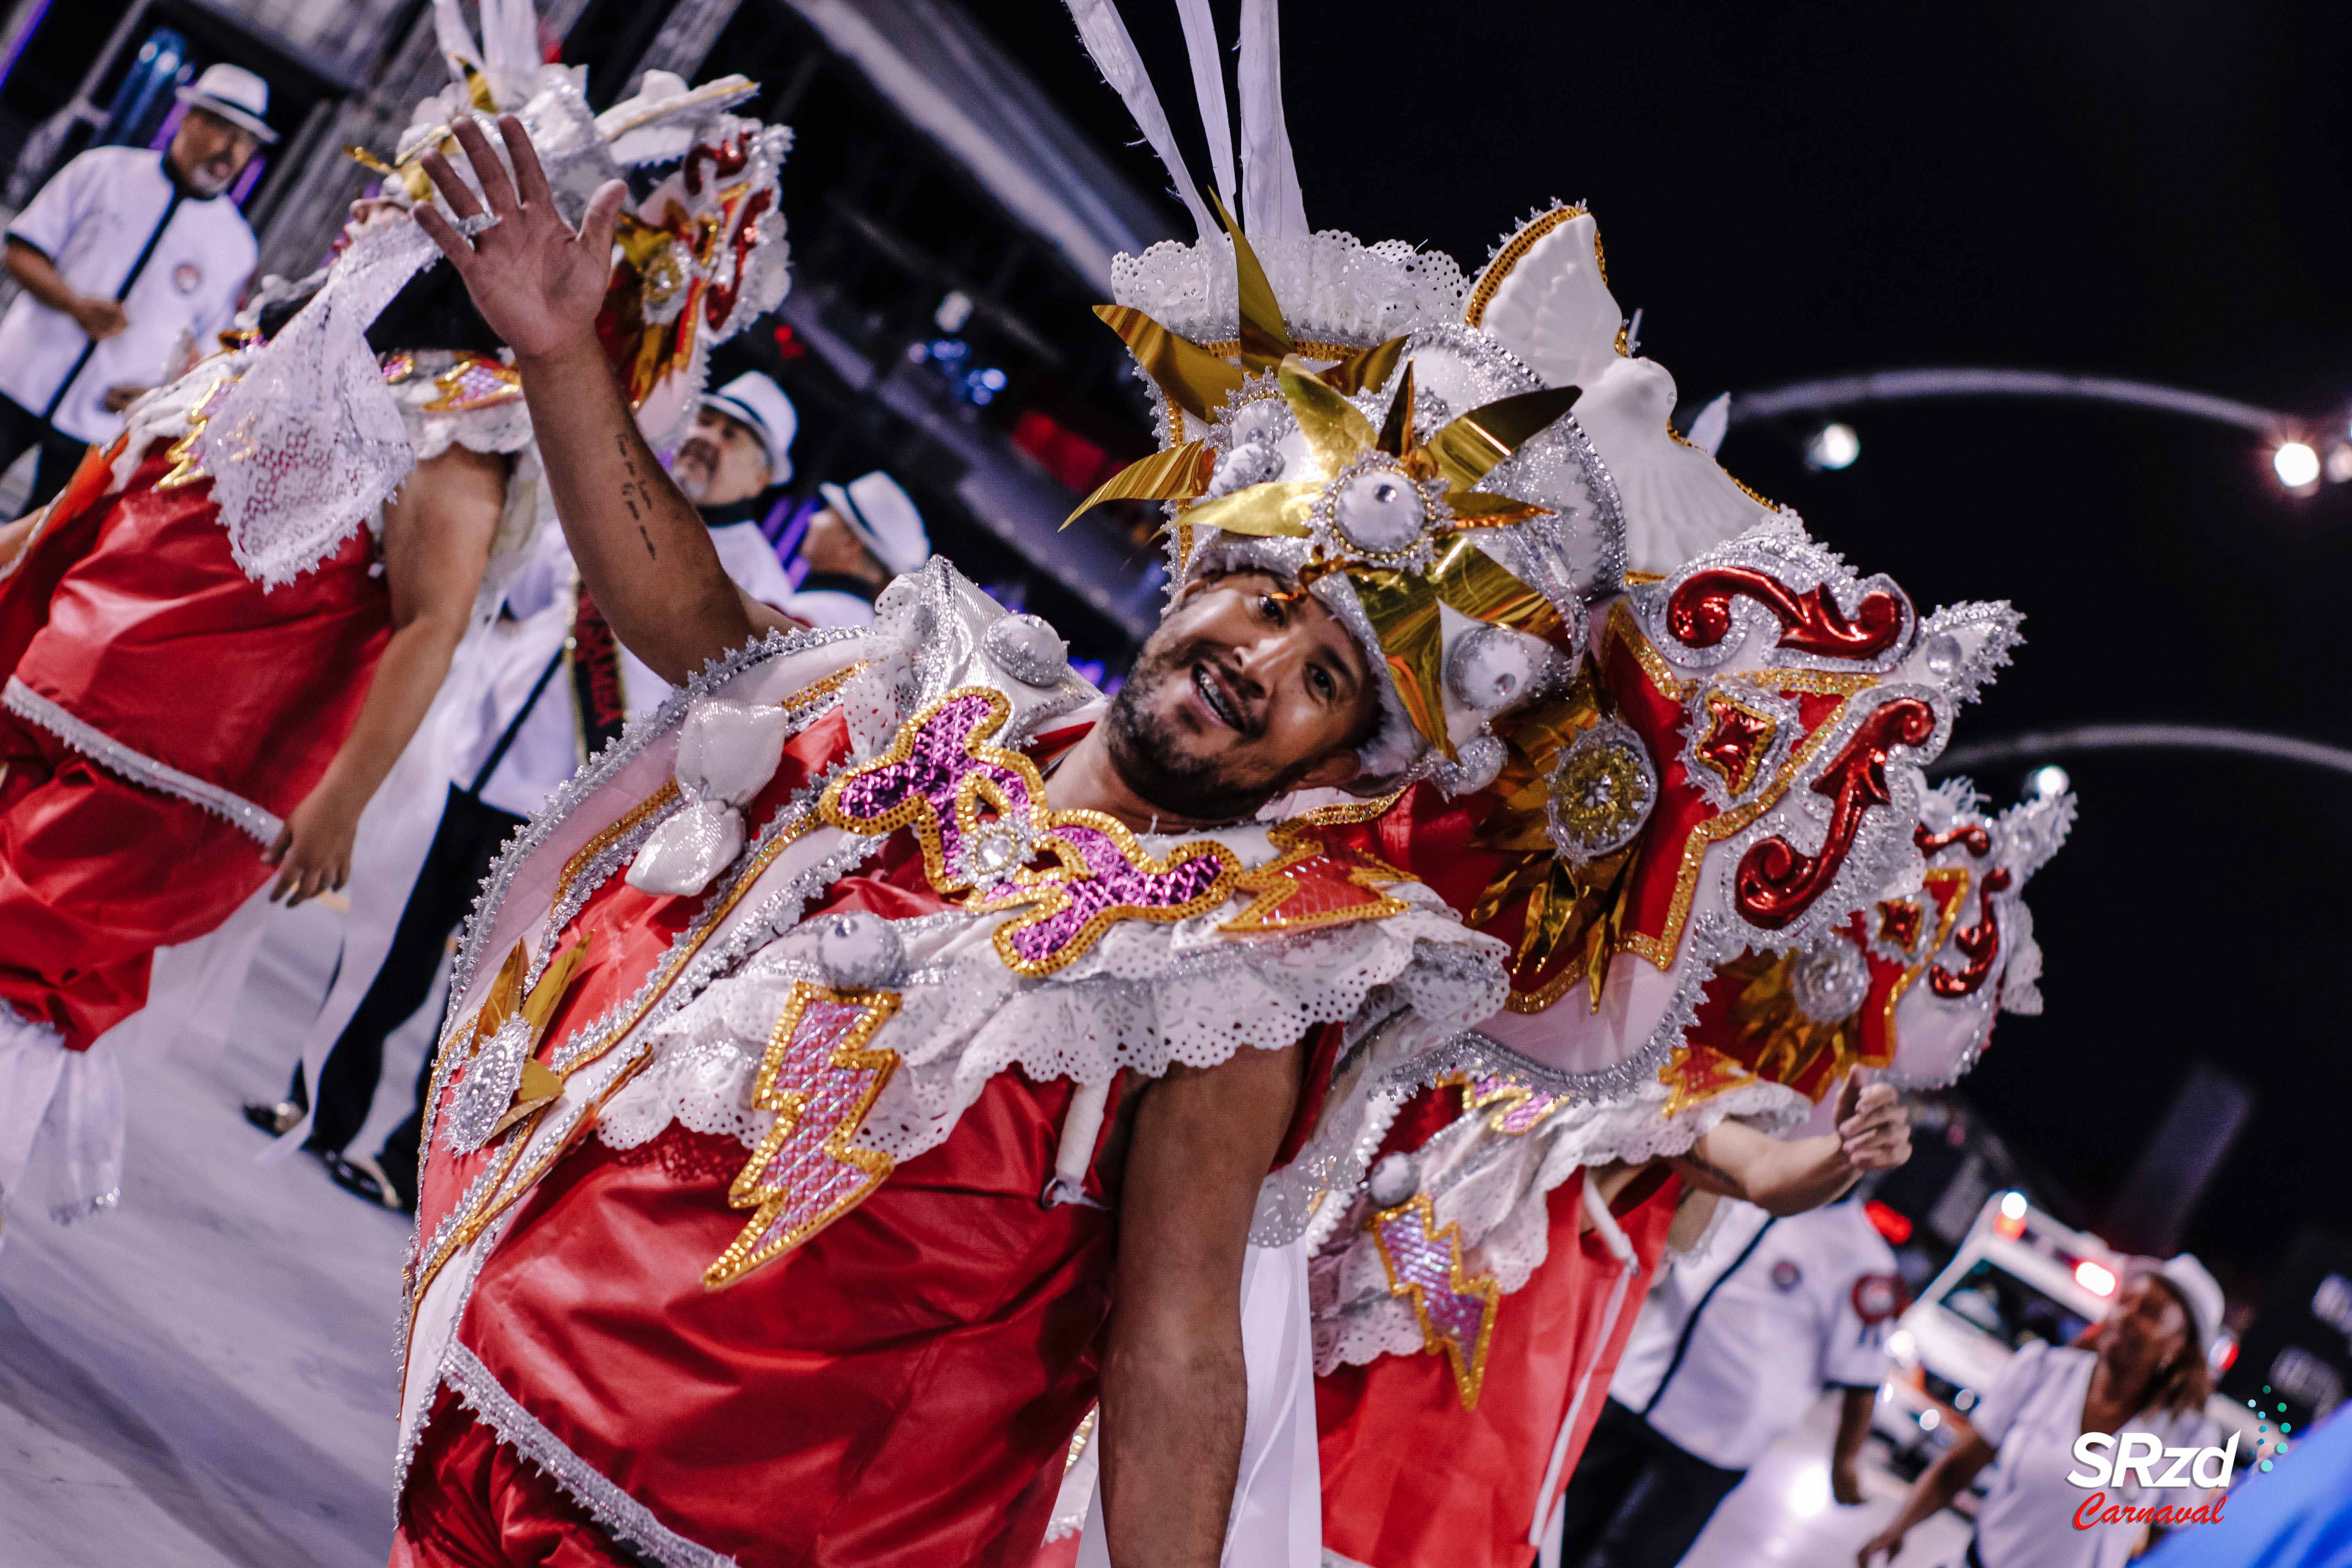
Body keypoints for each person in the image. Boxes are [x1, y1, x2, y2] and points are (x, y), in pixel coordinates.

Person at [371, 87, 1668, 1559]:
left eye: (1324, 679)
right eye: (1267, 596)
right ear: (1192, 576)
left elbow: (1175, 1346)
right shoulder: (935, 699)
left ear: (1346, 766)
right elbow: (693, 617)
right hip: (497, 1408)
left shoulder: (1232, 974)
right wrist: (559, 351)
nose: (1260, 659)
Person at [245, 374, 809, 1212]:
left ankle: (415, 1166)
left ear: (766, 478)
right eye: (713, 420)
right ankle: (320, 1105)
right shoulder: (610, 510)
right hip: (477, 766)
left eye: (739, 439)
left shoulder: (759, 584)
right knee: (387, 951)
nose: (711, 440)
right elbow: (525, 596)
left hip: (570, 810)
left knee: (489, 1009)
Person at [1552, 1190, 1905, 1568]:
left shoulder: (1863, 1259)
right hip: (1636, 1386)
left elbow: (1863, 1375)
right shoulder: (1742, 1189)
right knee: (1558, 1529)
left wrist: (1845, 1461)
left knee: (1628, 1557)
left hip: (1713, 1438)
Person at [0, 63, 269, 512]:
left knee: (31, 550)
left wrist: (154, 396)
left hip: (99, 424)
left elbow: (206, 352)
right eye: (224, 130)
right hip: (18, 379)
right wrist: (74, 305)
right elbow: (22, 250)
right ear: (191, 120)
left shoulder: (236, 246)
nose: (232, 151)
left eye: (246, 142)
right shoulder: (105, 172)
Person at [1858, 1256, 2229, 1568]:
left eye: (2150, 1312)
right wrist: (1896, 1529)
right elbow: (1957, 1468)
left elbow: (2167, 1552)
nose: (2126, 1316)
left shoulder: (2188, 1439)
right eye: (2124, 1301)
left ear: (2179, 1346)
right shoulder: (2043, 1371)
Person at [781, 467, 928, 626]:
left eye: (827, 512)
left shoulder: (809, 614)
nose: (813, 520)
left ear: (851, 542)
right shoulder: (863, 627)